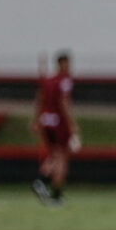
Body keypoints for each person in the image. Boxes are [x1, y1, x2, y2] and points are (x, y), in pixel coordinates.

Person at [32, 51, 80, 206]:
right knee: (61, 157)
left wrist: (36, 120)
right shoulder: (65, 81)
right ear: (62, 64)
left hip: (47, 121)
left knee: (53, 155)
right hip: (59, 122)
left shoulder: (48, 80)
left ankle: (41, 181)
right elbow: (64, 102)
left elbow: (40, 99)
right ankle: (56, 194)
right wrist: (72, 124)